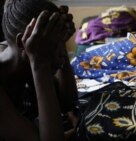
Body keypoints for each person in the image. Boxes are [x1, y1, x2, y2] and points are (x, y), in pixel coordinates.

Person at [0, 0, 78, 140]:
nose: (62, 55)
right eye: (54, 45)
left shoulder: (22, 63)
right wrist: (39, 63)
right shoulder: (35, 59)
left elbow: (67, 102)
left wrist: (62, 38)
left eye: (63, 43)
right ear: (23, 43)